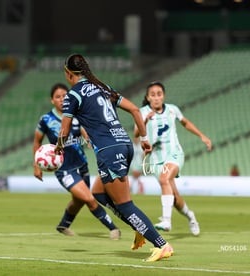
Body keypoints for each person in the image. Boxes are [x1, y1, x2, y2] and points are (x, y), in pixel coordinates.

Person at [55, 54, 173, 262]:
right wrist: (144, 138)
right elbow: (135, 109)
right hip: (125, 145)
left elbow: (64, 132)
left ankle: (162, 245)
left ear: (68, 73)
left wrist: (57, 149)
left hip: (109, 150)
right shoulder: (102, 86)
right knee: (98, 193)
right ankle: (140, 226)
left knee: (125, 205)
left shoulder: (73, 95)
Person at [33, 83, 121, 240]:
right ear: (52, 100)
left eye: (64, 96)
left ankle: (63, 225)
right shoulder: (46, 119)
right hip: (64, 169)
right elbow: (36, 142)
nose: (61, 99)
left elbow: (83, 129)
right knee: (88, 198)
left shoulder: (74, 114)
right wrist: (37, 166)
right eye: (57, 97)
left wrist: (87, 138)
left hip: (82, 164)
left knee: (79, 200)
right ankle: (113, 228)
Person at [135, 81, 212, 236]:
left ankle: (166, 220)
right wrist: (145, 121)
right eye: (153, 95)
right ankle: (191, 216)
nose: (156, 98)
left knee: (164, 178)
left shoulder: (172, 109)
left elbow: (185, 123)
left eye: (159, 94)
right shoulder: (142, 112)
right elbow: (136, 134)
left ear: (163, 96)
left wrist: (202, 136)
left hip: (174, 153)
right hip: (156, 159)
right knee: (175, 199)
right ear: (147, 97)